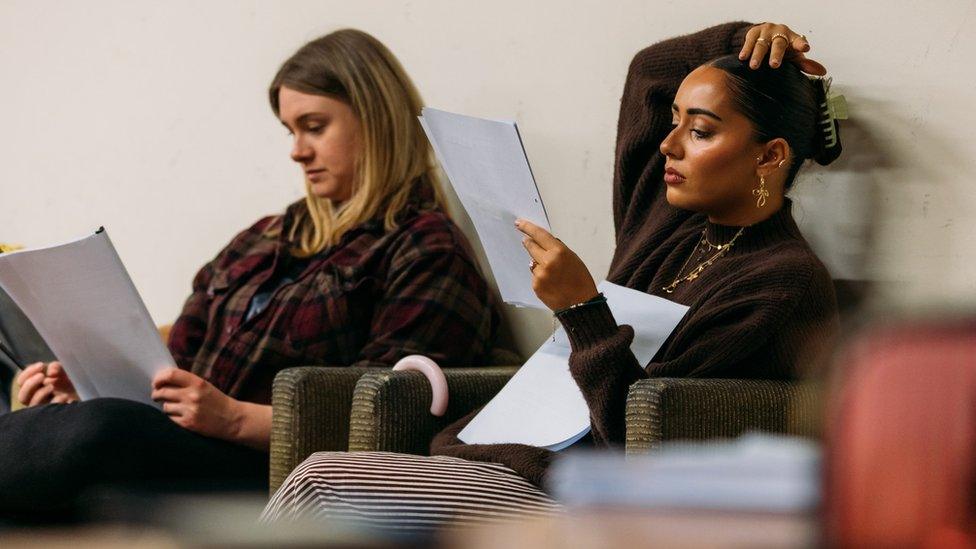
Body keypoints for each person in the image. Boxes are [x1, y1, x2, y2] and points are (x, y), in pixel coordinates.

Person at [263, 20, 842, 533]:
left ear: (769, 158)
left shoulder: (781, 281)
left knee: (323, 479)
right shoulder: (667, 224)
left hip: (572, 494)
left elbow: (637, 438)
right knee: (333, 482)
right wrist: (742, 41)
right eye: (674, 122)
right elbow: (650, 71)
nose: (668, 145)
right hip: (500, 459)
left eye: (700, 130)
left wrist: (581, 310)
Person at [0, 29, 499, 516]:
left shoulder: (425, 249)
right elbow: (170, 370)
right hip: (178, 441)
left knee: (101, 432)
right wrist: (90, 386)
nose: (297, 151)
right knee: (78, 419)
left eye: (315, 126)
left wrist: (235, 419)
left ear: (376, 120)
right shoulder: (260, 240)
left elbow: (389, 416)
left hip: (268, 468)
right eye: (291, 131)